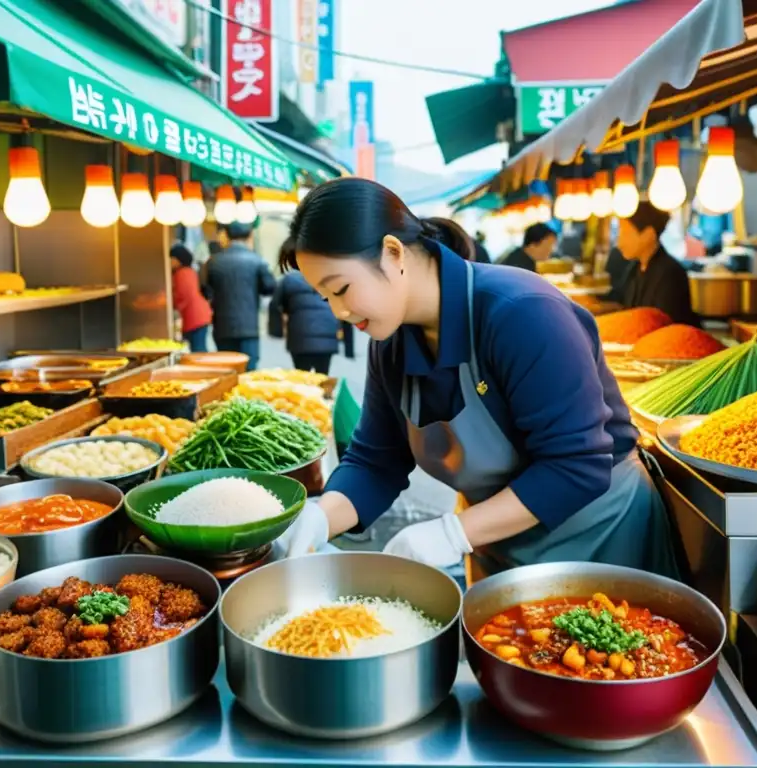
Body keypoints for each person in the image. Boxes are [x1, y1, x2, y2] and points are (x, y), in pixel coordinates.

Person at [274, 178, 675, 578]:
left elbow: (577, 466)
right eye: (326, 298)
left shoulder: (521, 313)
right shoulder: (390, 344)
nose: (338, 313)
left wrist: (453, 533)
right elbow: (376, 460)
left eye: (341, 289)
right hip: (496, 542)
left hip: (600, 539)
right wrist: (322, 517)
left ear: (392, 252)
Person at [202, 222, 276, 370]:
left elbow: (205, 290)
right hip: (249, 327)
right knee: (249, 370)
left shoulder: (213, 262)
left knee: (227, 370)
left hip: (222, 326)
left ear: (227, 236)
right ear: (249, 235)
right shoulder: (256, 260)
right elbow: (270, 287)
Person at [617, 202, 698, 327]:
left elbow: (664, 326)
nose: (620, 243)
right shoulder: (633, 270)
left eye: (625, 233)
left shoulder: (671, 274)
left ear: (648, 235)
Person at [269, 239, 340, 374]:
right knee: (323, 376)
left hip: (299, 338)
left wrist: (277, 332)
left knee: (302, 377)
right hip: (327, 336)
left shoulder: (288, 280)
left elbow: (275, 305)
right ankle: (323, 393)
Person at [169, 243, 212, 353]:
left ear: (177, 260)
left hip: (195, 318)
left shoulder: (182, 274)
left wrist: (170, 308)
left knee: (198, 351)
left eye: (171, 259)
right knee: (198, 348)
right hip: (199, 317)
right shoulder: (189, 271)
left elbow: (183, 296)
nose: (169, 262)